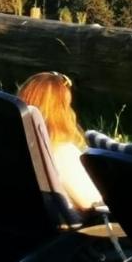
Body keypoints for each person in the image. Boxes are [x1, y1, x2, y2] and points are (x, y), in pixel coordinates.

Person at [17, 71, 105, 211]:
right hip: (70, 229)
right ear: (62, 110)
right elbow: (92, 203)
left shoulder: (10, 147)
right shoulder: (62, 152)